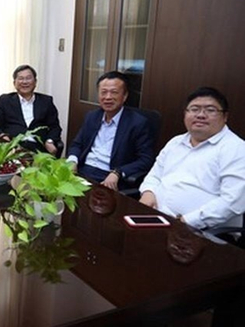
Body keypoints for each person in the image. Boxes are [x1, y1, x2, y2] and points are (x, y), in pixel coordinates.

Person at [139, 87, 245, 231]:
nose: (200, 115)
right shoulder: (176, 142)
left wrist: (186, 221)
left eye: (210, 110)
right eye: (194, 109)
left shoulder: (236, 149)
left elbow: (232, 202)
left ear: (225, 116)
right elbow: (154, 175)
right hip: (157, 219)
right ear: (185, 114)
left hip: (203, 231)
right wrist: (148, 192)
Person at [67, 71, 155, 191]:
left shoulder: (138, 123)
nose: (108, 97)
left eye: (114, 92)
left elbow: (146, 160)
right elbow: (77, 144)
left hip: (109, 177)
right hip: (83, 171)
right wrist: (72, 161)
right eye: (103, 92)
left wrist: (118, 172)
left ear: (124, 96)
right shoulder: (92, 116)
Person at [0, 64, 63, 155]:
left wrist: (50, 141)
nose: (24, 82)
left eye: (28, 78)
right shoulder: (5, 100)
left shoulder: (46, 101)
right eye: (21, 78)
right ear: (14, 83)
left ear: (35, 82)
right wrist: (3, 137)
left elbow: (55, 127)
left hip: (39, 149)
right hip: (12, 148)